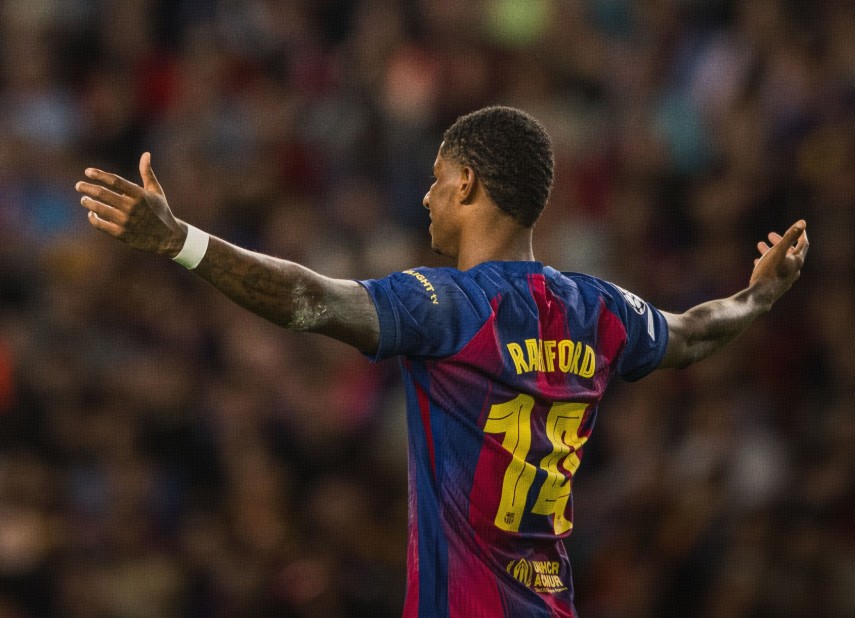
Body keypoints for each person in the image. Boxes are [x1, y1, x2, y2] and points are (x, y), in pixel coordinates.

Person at [75, 106, 808, 617]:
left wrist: (181, 242)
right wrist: (760, 296)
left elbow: (307, 299)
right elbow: (694, 334)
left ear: (467, 184)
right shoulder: (600, 308)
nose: (426, 196)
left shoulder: (449, 305)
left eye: (436, 177)